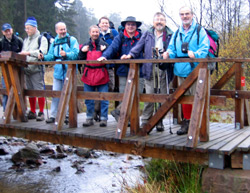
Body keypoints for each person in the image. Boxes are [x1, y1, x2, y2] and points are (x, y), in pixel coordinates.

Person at [121, 12, 173, 132]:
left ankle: (159, 121)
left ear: (165, 22)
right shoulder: (148, 34)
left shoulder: (170, 34)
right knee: (149, 96)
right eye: (157, 20)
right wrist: (130, 55)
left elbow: (173, 48)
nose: (159, 22)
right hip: (150, 68)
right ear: (153, 22)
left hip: (164, 69)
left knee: (162, 97)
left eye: (162, 20)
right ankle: (145, 122)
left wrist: (168, 55)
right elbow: (139, 46)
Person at [163, 6, 209, 135]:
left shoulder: (200, 31)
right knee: (184, 97)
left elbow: (205, 48)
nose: (185, 16)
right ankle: (187, 122)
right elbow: (172, 48)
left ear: (192, 15)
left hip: (196, 70)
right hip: (180, 69)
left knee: (197, 97)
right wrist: (168, 53)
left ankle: (199, 124)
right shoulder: (177, 32)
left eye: (187, 14)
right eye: (182, 14)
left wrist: (195, 54)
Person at [98, 16, 144, 124]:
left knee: (138, 94)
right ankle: (125, 119)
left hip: (139, 71)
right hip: (123, 71)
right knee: (124, 94)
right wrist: (105, 56)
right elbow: (112, 48)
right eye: (128, 24)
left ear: (136, 26)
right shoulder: (120, 37)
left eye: (133, 24)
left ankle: (120, 112)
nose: (130, 26)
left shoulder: (141, 37)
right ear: (125, 26)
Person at [39, 22, 79, 124]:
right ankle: (53, 115)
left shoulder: (72, 40)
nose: (63, 31)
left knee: (68, 93)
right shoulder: (55, 42)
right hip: (58, 71)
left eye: (64, 29)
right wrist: (43, 57)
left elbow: (76, 54)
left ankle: (67, 115)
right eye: (61, 30)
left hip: (69, 71)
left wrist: (66, 54)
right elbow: (51, 56)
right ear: (57, 31)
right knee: (55, 93)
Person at [78, 25, 109, 127]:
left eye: (97, 32)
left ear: (99, 32)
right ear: (89, 33)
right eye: (93, 32)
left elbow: (110, 57)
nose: (95, 34)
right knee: (88, 98)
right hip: (89, 75)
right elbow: (79, 59)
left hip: (101, 74)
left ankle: (104, 119)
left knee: (104, 98)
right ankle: (89, 118)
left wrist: (105, 51)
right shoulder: (85, 45)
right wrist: (82, 52)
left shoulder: (104, 44)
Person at [19, 17, 48, 121]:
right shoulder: (26, 40)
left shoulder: (42, 39)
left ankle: (41, 111)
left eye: (28, 28)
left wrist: (28, 53)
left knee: (39, 90)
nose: (27, 30)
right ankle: (32, 111)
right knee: (30, 91)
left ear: (34, 28)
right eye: (26, 28)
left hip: (37, 69)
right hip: (26, 69)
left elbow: (42, 52)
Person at [93, 17, 119, 122]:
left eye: (106, 23)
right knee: (98, 89)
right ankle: (98, 112)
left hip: (110, 66)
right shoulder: (95, 33)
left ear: (109, 24)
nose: (104, 24)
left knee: (110, 87)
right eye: (102, 23)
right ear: (99, 24)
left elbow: (117, 46)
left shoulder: (113, 33)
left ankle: (99, 111)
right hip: (98, 67)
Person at [0, 23, 23, 113]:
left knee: (19, 91)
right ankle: (6, 112)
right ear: (3, 32)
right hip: (5, 71)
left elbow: (23, 53)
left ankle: (20, 112)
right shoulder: (1, 42)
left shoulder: (19, 41)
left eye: (9, 30)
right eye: (6, 31)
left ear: (12, 30)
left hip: (18, 71)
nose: (8, 33)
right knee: (6, 91)